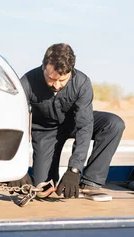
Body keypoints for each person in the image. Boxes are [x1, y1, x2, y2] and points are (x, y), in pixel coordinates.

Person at [10, 43, 125, 198]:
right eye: (51, 79)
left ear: (71, 71)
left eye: (62, 80)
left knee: (113, 124)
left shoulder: (82, 83)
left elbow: (84, 126)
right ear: (44, 66)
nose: (56, 85)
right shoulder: (26, 82)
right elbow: (14, 123)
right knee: (43, 187)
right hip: (45, 131)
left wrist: (74, 170)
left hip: (73, 124)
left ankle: (90, 182)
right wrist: (17, 168)